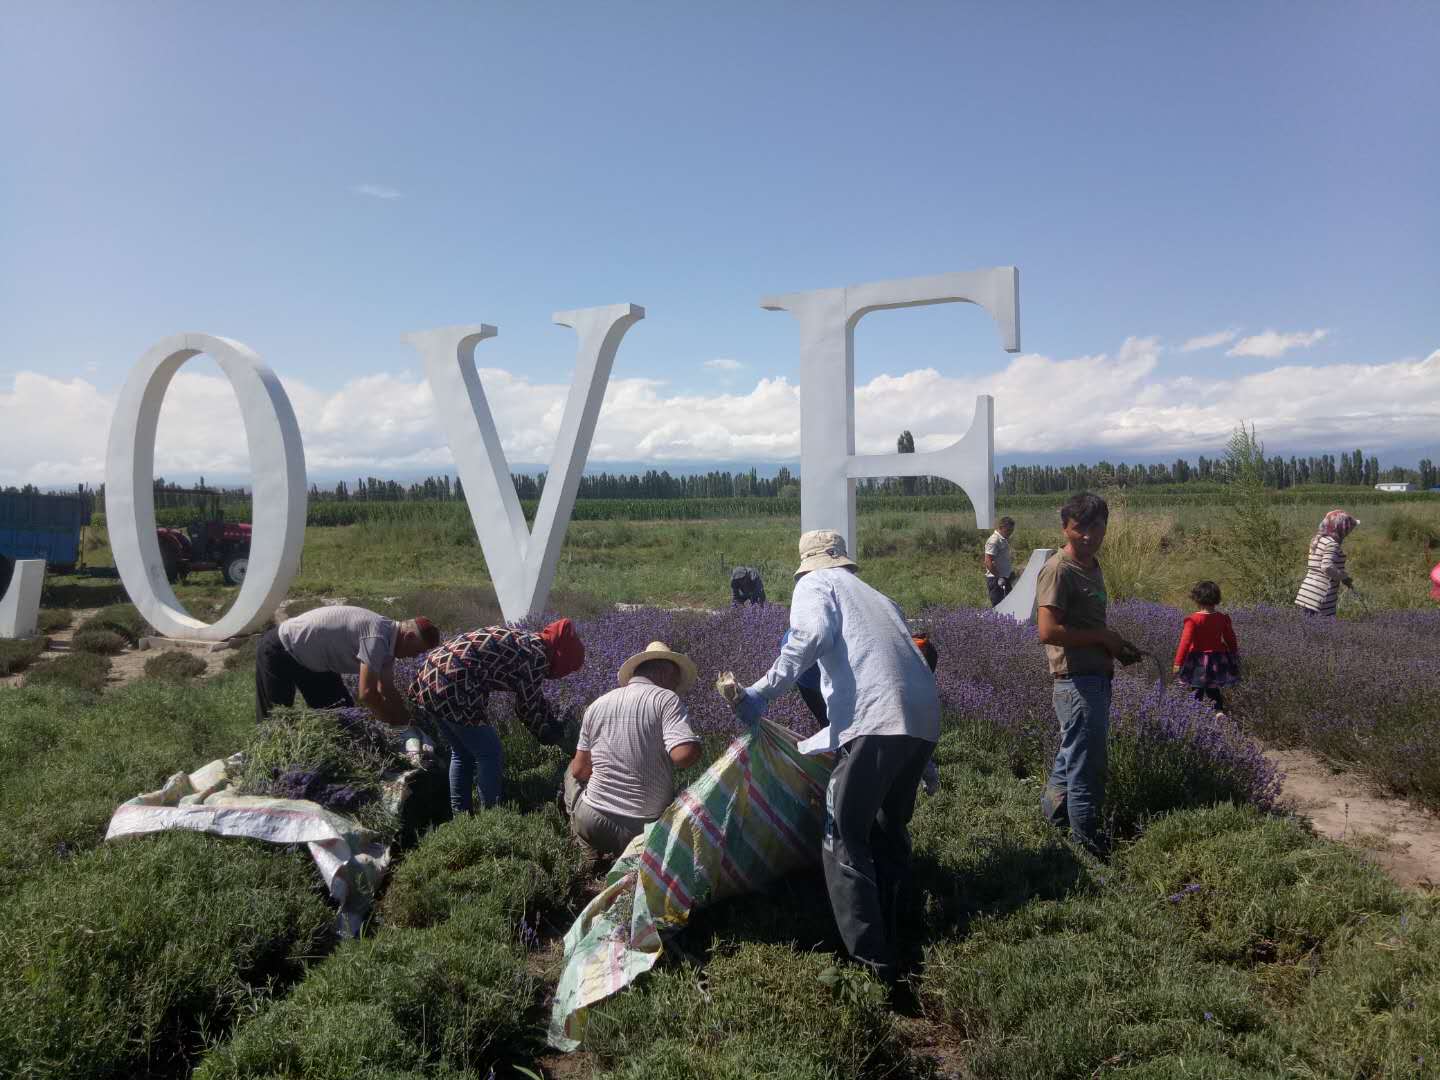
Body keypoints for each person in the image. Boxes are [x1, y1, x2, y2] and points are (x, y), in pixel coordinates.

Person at [733, 529, 939, 985]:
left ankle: (873, 968)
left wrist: (760, 693)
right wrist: (925, 759)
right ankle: (907, 931)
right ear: (845, 561)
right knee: (888, 828)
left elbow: (810, 636)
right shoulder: (879, 598)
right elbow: (906, 666)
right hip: (921, 722)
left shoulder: (814, 585)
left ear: (808, 565)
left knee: (843, 836)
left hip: (876, 721)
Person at [1035, 492, 1141, 855]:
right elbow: (1047, 631)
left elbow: (1088, 622)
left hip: (1095, 678)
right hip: (1076, 684)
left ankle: (1051, 838)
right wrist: (1101, 637)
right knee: (1086, 773)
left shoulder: (1091, 565)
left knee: (1068, 763)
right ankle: (1090, 853)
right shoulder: (1058, 569)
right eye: (1079, 528)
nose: (1087, 535)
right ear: (1065, 527)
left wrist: (1115, 645)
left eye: (1096, 528)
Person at [409, 619, 584, 814]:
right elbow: (527, 708)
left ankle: (461, 815)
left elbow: (532, 695)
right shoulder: (537, 656)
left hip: (430, 674)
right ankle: (491, 815)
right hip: (453, 685)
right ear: (561, 656)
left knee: (462, 753)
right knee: (490, 753)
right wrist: (549, 735)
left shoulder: (528, 641)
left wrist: (549, 719)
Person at [563, 641, 702, 857]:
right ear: (663, 673)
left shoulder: (598, 704)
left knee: (569, 772)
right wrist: (695, 744)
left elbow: (580, 771)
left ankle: (585, 847)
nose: (676, 687)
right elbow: (683, 756)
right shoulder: (666, 700)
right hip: (642, 832)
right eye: (675, 680)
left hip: (593, 822)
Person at [256, 604, 440, 725]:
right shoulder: (377, 637)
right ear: (408, 636)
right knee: (275, 722)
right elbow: (367, 694)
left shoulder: (391, 644)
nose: (413, 657)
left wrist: (408, 725)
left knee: (343, 721)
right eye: (416, 651)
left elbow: (387, 690)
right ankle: (269, 777)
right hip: (281, 649)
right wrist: (391, 726)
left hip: (316, 662)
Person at [1171, 581, 1240, 717]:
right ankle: (1218, 711)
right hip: (1217, 659)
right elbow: (1230, 638)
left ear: (1197, 599)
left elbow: (1185, 643)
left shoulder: (1193, 620)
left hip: (1198, 660)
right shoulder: (1222, 618)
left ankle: (1194, 714)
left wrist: (1178, 663)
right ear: (1216, 598)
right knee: (1213, 687)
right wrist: (1234, 653)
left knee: (1196, 687)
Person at [1295, 510, 1360, 617]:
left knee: (1306, 630)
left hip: (1307, 594)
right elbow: (1327, 567)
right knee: (1321, 632)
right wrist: (1344, 577)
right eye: (1348, 529)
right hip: (1321, 596)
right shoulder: (1331, 544)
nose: (1348, 532)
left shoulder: (1318, 540)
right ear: (1340, 528)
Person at [984, 517, 1017, 607]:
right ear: (1001, 527)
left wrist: (1009, 572)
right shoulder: (994, 540)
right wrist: (999, 577)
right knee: (999, 607)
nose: (1010, 532)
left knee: (1009, 605)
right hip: (996, 580)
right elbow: (988, 562)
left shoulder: (1003, 539)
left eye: (1012, 530)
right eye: (1008, 530)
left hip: (1004, 578)